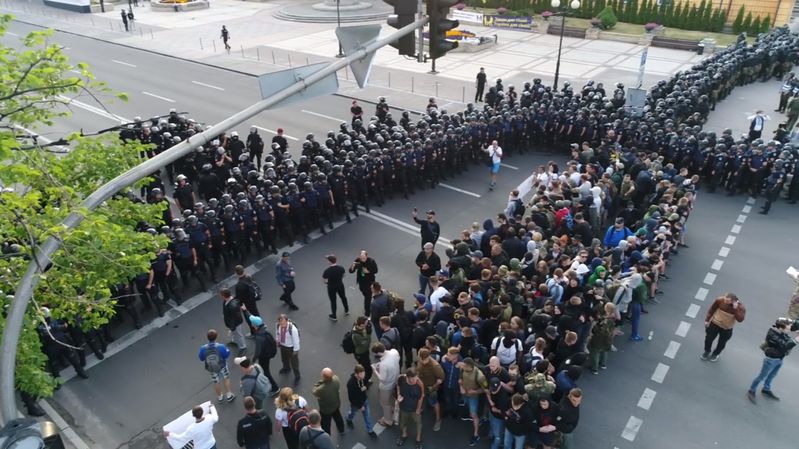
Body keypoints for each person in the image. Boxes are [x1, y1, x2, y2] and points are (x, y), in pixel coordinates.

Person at [747, 318, 799, 403]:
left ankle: (766, 389)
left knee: (772, 374)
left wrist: (793, 323)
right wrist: (796, 340)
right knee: (762, 376)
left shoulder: (783, 332)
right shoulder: (772, 334)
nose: (790, 329)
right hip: (771, 359)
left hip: (780, 358)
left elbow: (789, 341)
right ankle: (752, 390)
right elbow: (785, 345)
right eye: (788, 328)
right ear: (781, 328)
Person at [701, 293, 746, 362]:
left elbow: (740, 319)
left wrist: (735, 309)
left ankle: (715, 354)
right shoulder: (720, 300)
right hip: (715, 324)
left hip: (727, 328)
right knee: (708, 338)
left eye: (727, 301)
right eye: (725, 299)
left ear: (733, 301)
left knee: (722, 343)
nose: (725, 302)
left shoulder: (740, 307)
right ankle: (707, 351)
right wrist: (707, 320)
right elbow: (712, 309)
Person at [199, 329, 236, 403]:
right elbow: (226, 355)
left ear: (208, 338)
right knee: (226, 378)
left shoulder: (203, 348)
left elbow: (201, 358)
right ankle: (229, 395)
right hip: (222, 366)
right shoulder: (221, 346)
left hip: (211, 368)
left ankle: (220, 397)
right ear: (216, 337)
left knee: (216, 382)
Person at [458, 357, 486, 445]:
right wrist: (461, 387)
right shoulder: (463, 369)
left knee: (474, 415)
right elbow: (460, 378)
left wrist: (475, 391)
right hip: (465, 394)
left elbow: (485, 389)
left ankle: (476, 434)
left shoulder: (480, 376)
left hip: (474, 397)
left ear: (468, 366)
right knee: (468, 406)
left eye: (463, 366)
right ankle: (470, 414)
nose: (461, 366)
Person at [415, 348, 444, 433]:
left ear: (429, 356)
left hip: (431, 388)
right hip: (421, 385)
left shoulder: (435, 366)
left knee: (434, 402)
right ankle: (422, 408)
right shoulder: (420, 360)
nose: (423, 361)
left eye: (425, 359)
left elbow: (441, 379)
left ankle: (438, 419)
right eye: (421, 359)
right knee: (422, 397)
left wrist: (434, 386)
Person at [372, 342, 400, 427]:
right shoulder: (394, 352)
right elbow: (398, 359)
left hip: (387, 386)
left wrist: (375, 370)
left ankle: (388, 420)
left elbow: (382, 379)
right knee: (392, 398)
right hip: (395, 381)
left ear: (378, 353)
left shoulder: (384, 364)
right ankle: (392, 409)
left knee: (385, 403)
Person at [249, 315, 279, 396]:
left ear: (255, 325)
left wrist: (253, 359)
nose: (251, 324)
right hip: (268, 354)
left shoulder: (259, 337)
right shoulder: (265, 330)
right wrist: (245, 311)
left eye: (252, 323)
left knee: (266, 372)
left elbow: (258, 351)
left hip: (263, 357)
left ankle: (275, 388)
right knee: (266, 370)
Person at [395, 367, 425, 449]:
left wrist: (418, 409)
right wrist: (398, 394)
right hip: (403, 407)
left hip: (414, 409)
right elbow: (397, 386)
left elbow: (421, 397)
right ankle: (404, 435)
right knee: (402, 423)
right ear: (407, 377)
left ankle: (418, 440)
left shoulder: (419, 384)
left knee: (418, 424)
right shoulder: (401, 379)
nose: (414, 380)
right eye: (411, 378)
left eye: (415, 377)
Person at [346, 364, 378, 438]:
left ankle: (370, 430)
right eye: (361, 374)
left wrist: (366, 386)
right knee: (352, 413)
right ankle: (348, 419)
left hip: (364, 399)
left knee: (367, 416)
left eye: (364, 373)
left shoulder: (362, 378)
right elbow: (351, 398)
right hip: (356, 403)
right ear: (356, 374)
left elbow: (365, 385)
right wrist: (360, 406)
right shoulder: (351, 384)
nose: (363, 376)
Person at [312, 367, 346, 436]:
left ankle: (327, 436)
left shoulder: (321, 389)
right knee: (338, 417)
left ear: (323, 377)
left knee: (326, 424)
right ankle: (341, 429)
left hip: (326, 409)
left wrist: (321, 381)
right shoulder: (336, 379)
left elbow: (314, 391)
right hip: (336, 404)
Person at [349, 250, 378, 315]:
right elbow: (350, 271)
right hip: (361, 282)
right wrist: (352, 266)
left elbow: (376, 270)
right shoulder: (358, 260)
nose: (362, 259)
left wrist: (368, 271)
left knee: (367, 298)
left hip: (369, 281)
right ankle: (369, 302)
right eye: (361, 258)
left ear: (367, 256)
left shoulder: (371, 261)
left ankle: (367, 313)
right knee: (365, 294)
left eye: (363, 258)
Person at [235, 265, 261, 334]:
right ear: (244, 270)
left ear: (236, 273)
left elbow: (239, 298)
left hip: (246, 303)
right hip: (253, 299)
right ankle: (260, 325)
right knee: (255, 313)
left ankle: (253, 331)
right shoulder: (249, 277)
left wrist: (239, 305)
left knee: (249, 317)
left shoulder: (239, 285)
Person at [221, 288, 247, 356]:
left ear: (224, 296)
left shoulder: (232, 306)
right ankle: (234, 341)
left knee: (238, 334)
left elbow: (234, 318)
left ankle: (243, 347)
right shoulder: (230, 300)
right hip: (233, 322)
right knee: (235, 333)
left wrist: (231, 328)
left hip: (235, 323)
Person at [322, 254, 349, 321]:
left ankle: (334, 316)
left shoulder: (327, 271)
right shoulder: (341, 268)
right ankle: (346, 310)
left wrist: (328, 282)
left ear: (329, 261)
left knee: (333, 301)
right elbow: (344, 275)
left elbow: (324, 280)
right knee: (343, 297)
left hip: (331, 287)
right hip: (340, 285)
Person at [276, 314, 301, 384]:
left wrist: (295, 350)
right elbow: (277, 333)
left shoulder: (292, 329)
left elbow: (296, 340)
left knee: (294, 363)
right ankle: (286, 368)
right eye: (280, 323)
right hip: (283, 345)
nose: (282, 324)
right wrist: (278, 340)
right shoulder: (278, 326)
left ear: (287, 321)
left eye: (283, 323)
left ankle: (297, 375)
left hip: (291, 347)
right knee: (284, 359)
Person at [351, 316, 373, 381]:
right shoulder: (357, 335)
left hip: (364, 351)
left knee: (364, 364)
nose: (368, 323)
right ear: (361, 324)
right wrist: (369, 334)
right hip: (361, 353)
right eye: (366, 322)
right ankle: (365, 379)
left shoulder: (360, 327)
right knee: (367, 367)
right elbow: (365, 344)